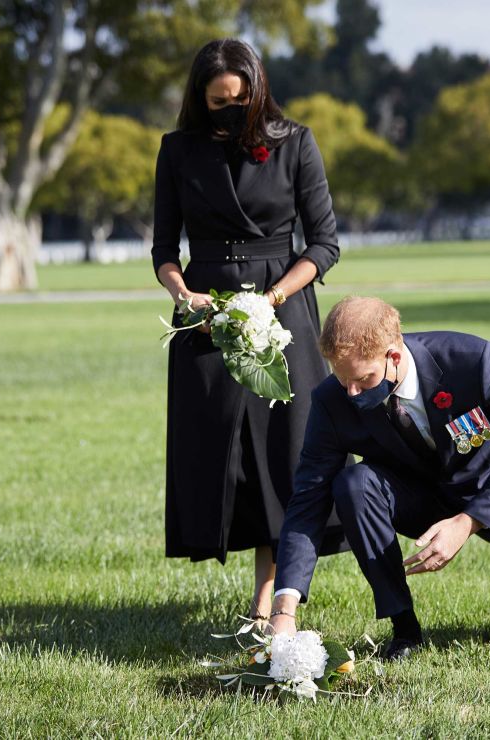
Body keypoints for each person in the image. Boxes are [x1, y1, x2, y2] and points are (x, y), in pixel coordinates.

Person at [151, 39, 347, 623]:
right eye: (218, 102)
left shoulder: (296, 143)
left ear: (257, 92)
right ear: (200, 98)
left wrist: (276, 296)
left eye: (240, 99)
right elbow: (165, 248)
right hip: (206, 310)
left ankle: (269, 595)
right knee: (217, 451)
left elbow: (324, 243)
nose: (230, 109)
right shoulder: (177, 151)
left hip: (281, 306)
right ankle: (232, 555)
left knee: (278, 452)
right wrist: (182, 292)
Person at [267, 297, 490, 659]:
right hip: (418, 495)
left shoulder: (474, 361)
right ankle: (404, 627)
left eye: (362, 379)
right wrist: (284, 609)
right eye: (342, 379)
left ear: (395, 357)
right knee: (353, 485)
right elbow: (308, 497)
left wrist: (466, 523)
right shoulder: (332, 401)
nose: (351, 392)